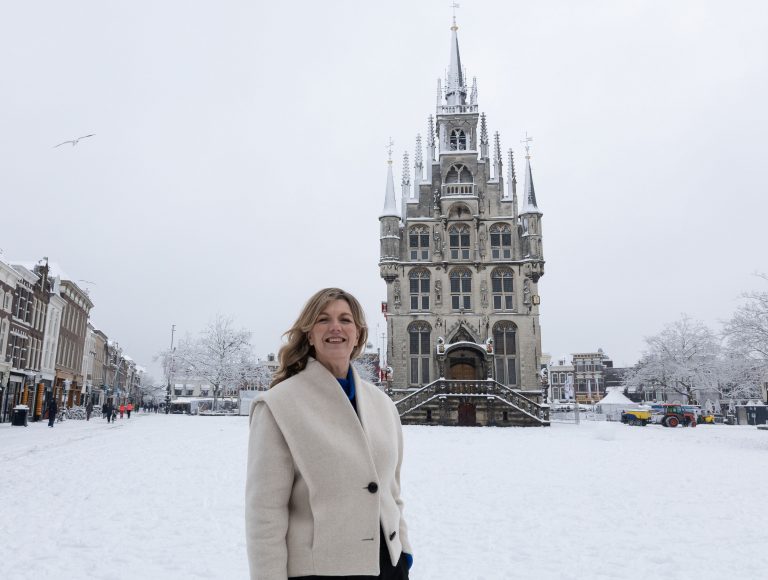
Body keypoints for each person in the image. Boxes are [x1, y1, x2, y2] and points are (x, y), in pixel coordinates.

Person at [246, 288, 413, 580]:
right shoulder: (278, 406)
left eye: (345, 320)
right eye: (324, 319)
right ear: (310, 335)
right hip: (319, 571)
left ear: (358, 335)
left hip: (388, 567)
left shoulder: (383, 404)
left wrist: (404, 551)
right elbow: (265, 513)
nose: (336, 327)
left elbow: (392, 491)